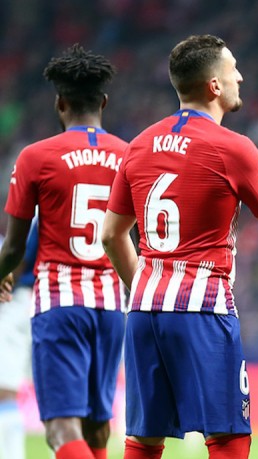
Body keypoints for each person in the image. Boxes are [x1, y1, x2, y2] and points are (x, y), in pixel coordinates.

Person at [100, 34, 258, 459]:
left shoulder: (139, 144)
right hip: (203, 310)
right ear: (214, 85)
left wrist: (145, 288)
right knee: (228, 437)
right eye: (233, 68)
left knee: (143, 440)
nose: (240, 75)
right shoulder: (233, 148)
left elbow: (111, 234)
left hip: (144, 313)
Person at [0, 45, 126, 459]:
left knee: (59, 429)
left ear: (60, 103)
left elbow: (15, 245)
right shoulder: (130, 156)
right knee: (97, 427)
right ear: (104, 102)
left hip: (59, 302)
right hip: (112, 306)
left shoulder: (36, 157)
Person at [0, 218, 37, 459]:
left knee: (5, 391)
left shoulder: (34, 203)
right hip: (31, 300)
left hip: (16, 301)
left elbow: (18, 256)